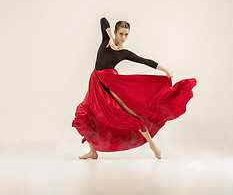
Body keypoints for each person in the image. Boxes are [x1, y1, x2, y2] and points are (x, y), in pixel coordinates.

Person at [72, 17, 197, 159]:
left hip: (111, 83)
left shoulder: (123, 53)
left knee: (130, 114)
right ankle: (93, 151)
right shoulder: (106, 41)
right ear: (115, 32)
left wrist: (165, 70)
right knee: (83, 113)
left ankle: (152, 145)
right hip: (95, 82)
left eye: (126, 34)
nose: (124, 37)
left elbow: (145, 61)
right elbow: (103, 20)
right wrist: (111, 38)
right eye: (121, 34)